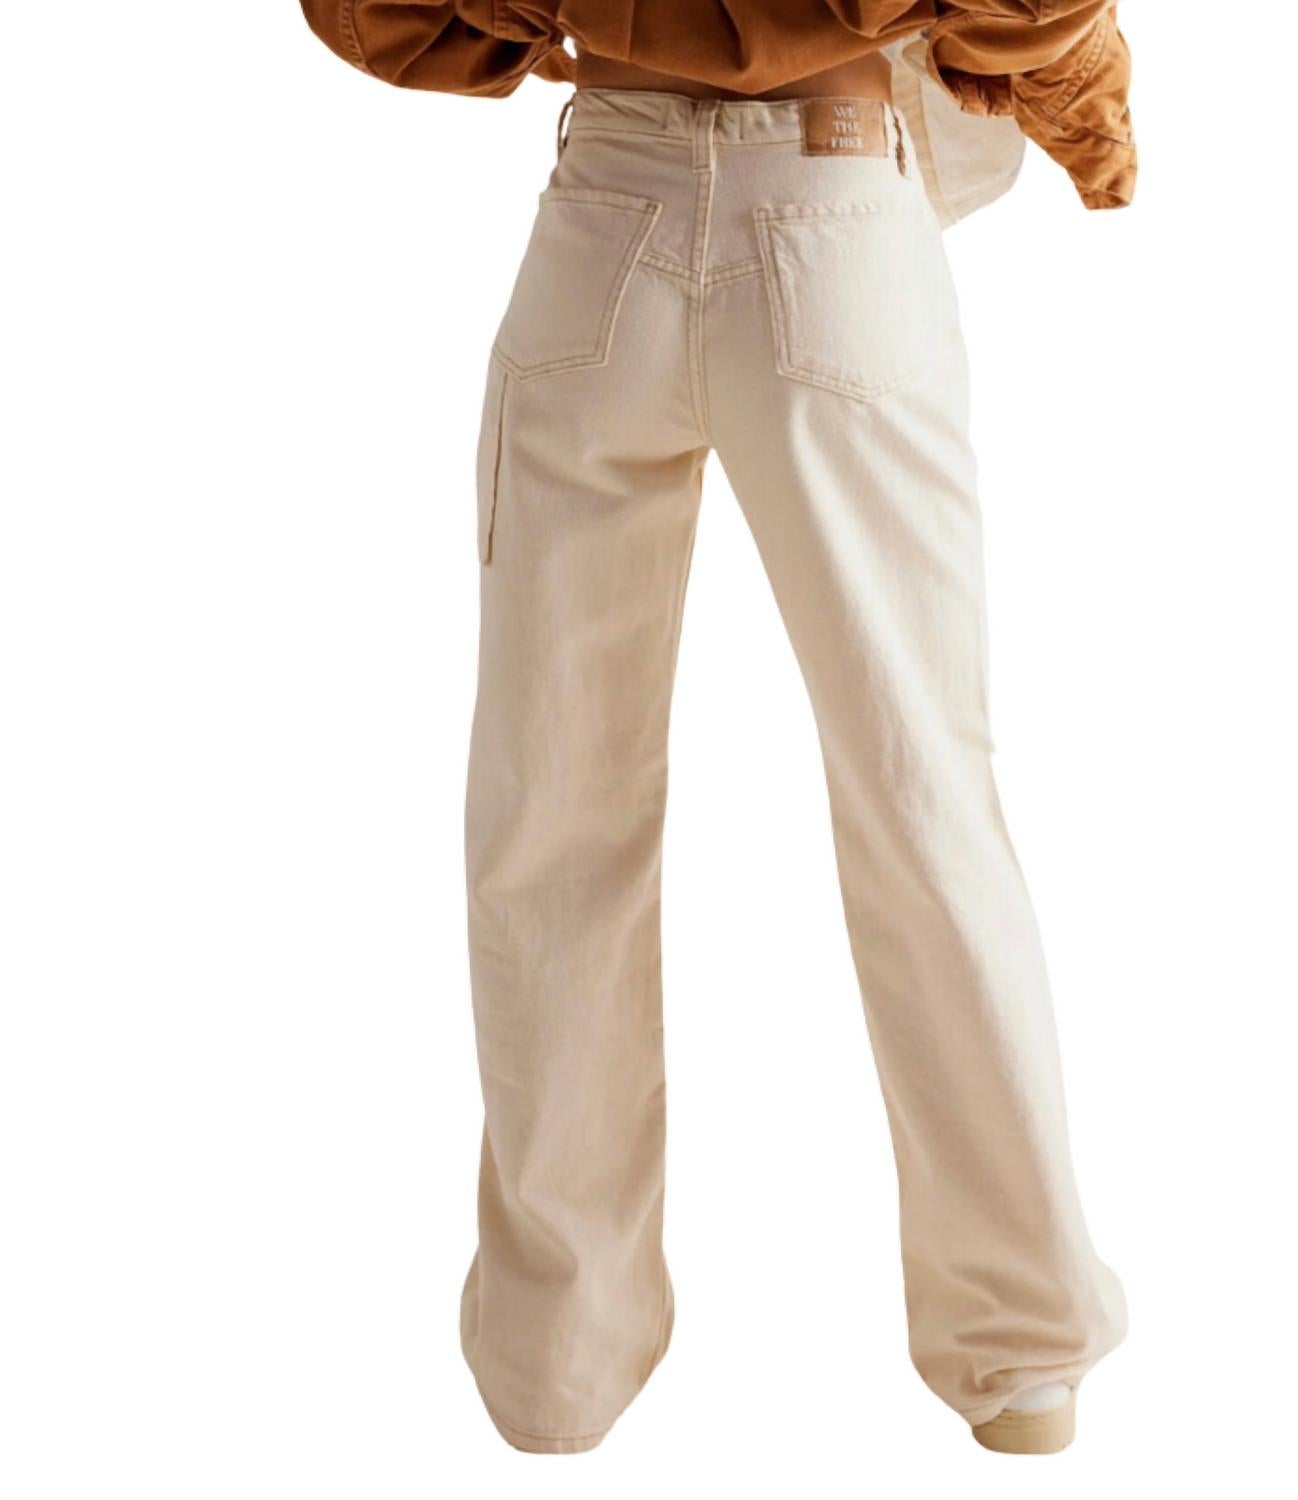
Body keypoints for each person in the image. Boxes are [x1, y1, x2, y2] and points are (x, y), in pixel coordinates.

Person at [298, 0, 1136, 1458]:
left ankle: (557, 1361)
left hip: (603, 213)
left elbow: (373, 12)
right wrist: (1093, 120)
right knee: (923, 801)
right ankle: (1020, 1354)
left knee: (550, 813)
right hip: (836, 209)